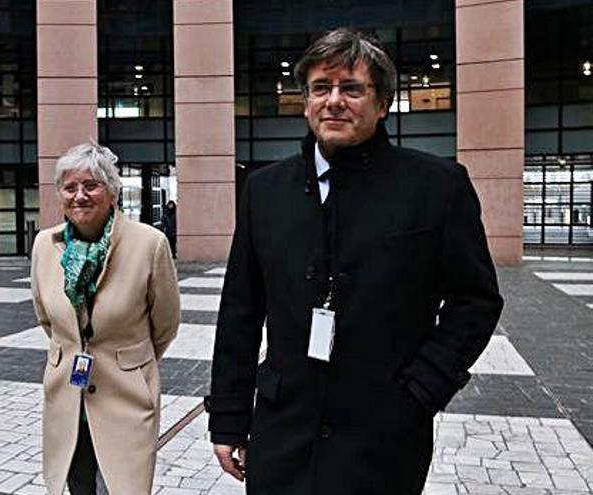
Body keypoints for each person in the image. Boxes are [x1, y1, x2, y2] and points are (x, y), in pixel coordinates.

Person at [206, 28, 503, 495]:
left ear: (382, 104)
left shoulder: (436, 186)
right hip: (283, 430)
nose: (334, 101)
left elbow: (476, 301)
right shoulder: (264, 190)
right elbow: (241, 311)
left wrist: (422, 390)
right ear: (305, 102)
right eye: (321, 88)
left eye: (352, 88)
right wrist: (227, 417)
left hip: (384, 434)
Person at [31, 141, 181, 494]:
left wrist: (126, 361)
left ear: (111, 192)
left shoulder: (149, 244)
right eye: (70, 187)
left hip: (126, 394)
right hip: (66, 395)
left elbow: (166, 323)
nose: (79, 195)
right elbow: (47, 318)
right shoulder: (44, 245)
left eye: (91, 185)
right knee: (78, 484)